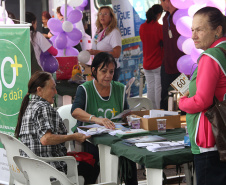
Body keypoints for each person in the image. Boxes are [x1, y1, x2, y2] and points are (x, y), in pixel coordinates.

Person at [14, 71, 98, 184]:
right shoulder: (43, 107)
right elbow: (46, 139)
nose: (56, 92)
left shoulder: (29, 106)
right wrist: (73, 136)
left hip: (30, 170)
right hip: (48, 169)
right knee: (91, 168)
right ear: (40, 90)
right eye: (52, 88)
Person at [71, 52, 138, 185]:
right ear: (94, 71)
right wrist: (96, 119)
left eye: (111, 72)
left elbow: (126, 112)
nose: (108, 75)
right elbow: (75, 111)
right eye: (104, 71)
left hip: (116, 136)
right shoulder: (85, 89)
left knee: (130, 154)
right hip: (90, 139)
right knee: (98, 157)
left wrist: (129, 117)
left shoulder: (119, 89)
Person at [178, 7, 226, 185]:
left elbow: (202, 101)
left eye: (200, 29)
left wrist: (182, 102)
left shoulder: (210, 57)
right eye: (192, 30)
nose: (193, 35)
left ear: (218, 30)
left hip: (211, 138)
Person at [160, 0, 184, 110]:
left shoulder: (182, 16)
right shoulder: (165, 17)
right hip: (167, 65)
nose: (161, 4)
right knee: (166, 97)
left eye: (161, 1)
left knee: (180, 98)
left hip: (182, 66)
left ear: (168, 1)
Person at [88, 6, 122, 81]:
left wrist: (97, 52)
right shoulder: (98, 31)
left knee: (109, 92)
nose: (102, 16)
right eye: (100, 14)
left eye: (105, 14)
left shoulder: (114, 32)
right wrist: (91, 51)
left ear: (111, 18)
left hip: (110, 71)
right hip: (99, 68)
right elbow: (96, 46)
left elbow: (117, 54)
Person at [139, 4, 163, 109]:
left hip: (146, 63)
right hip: (157, 62)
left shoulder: (142, 27)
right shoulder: (159, 28)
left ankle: (151, 111)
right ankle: (158, 110)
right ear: (159, 14)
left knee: (150, 88)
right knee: (158, 88)